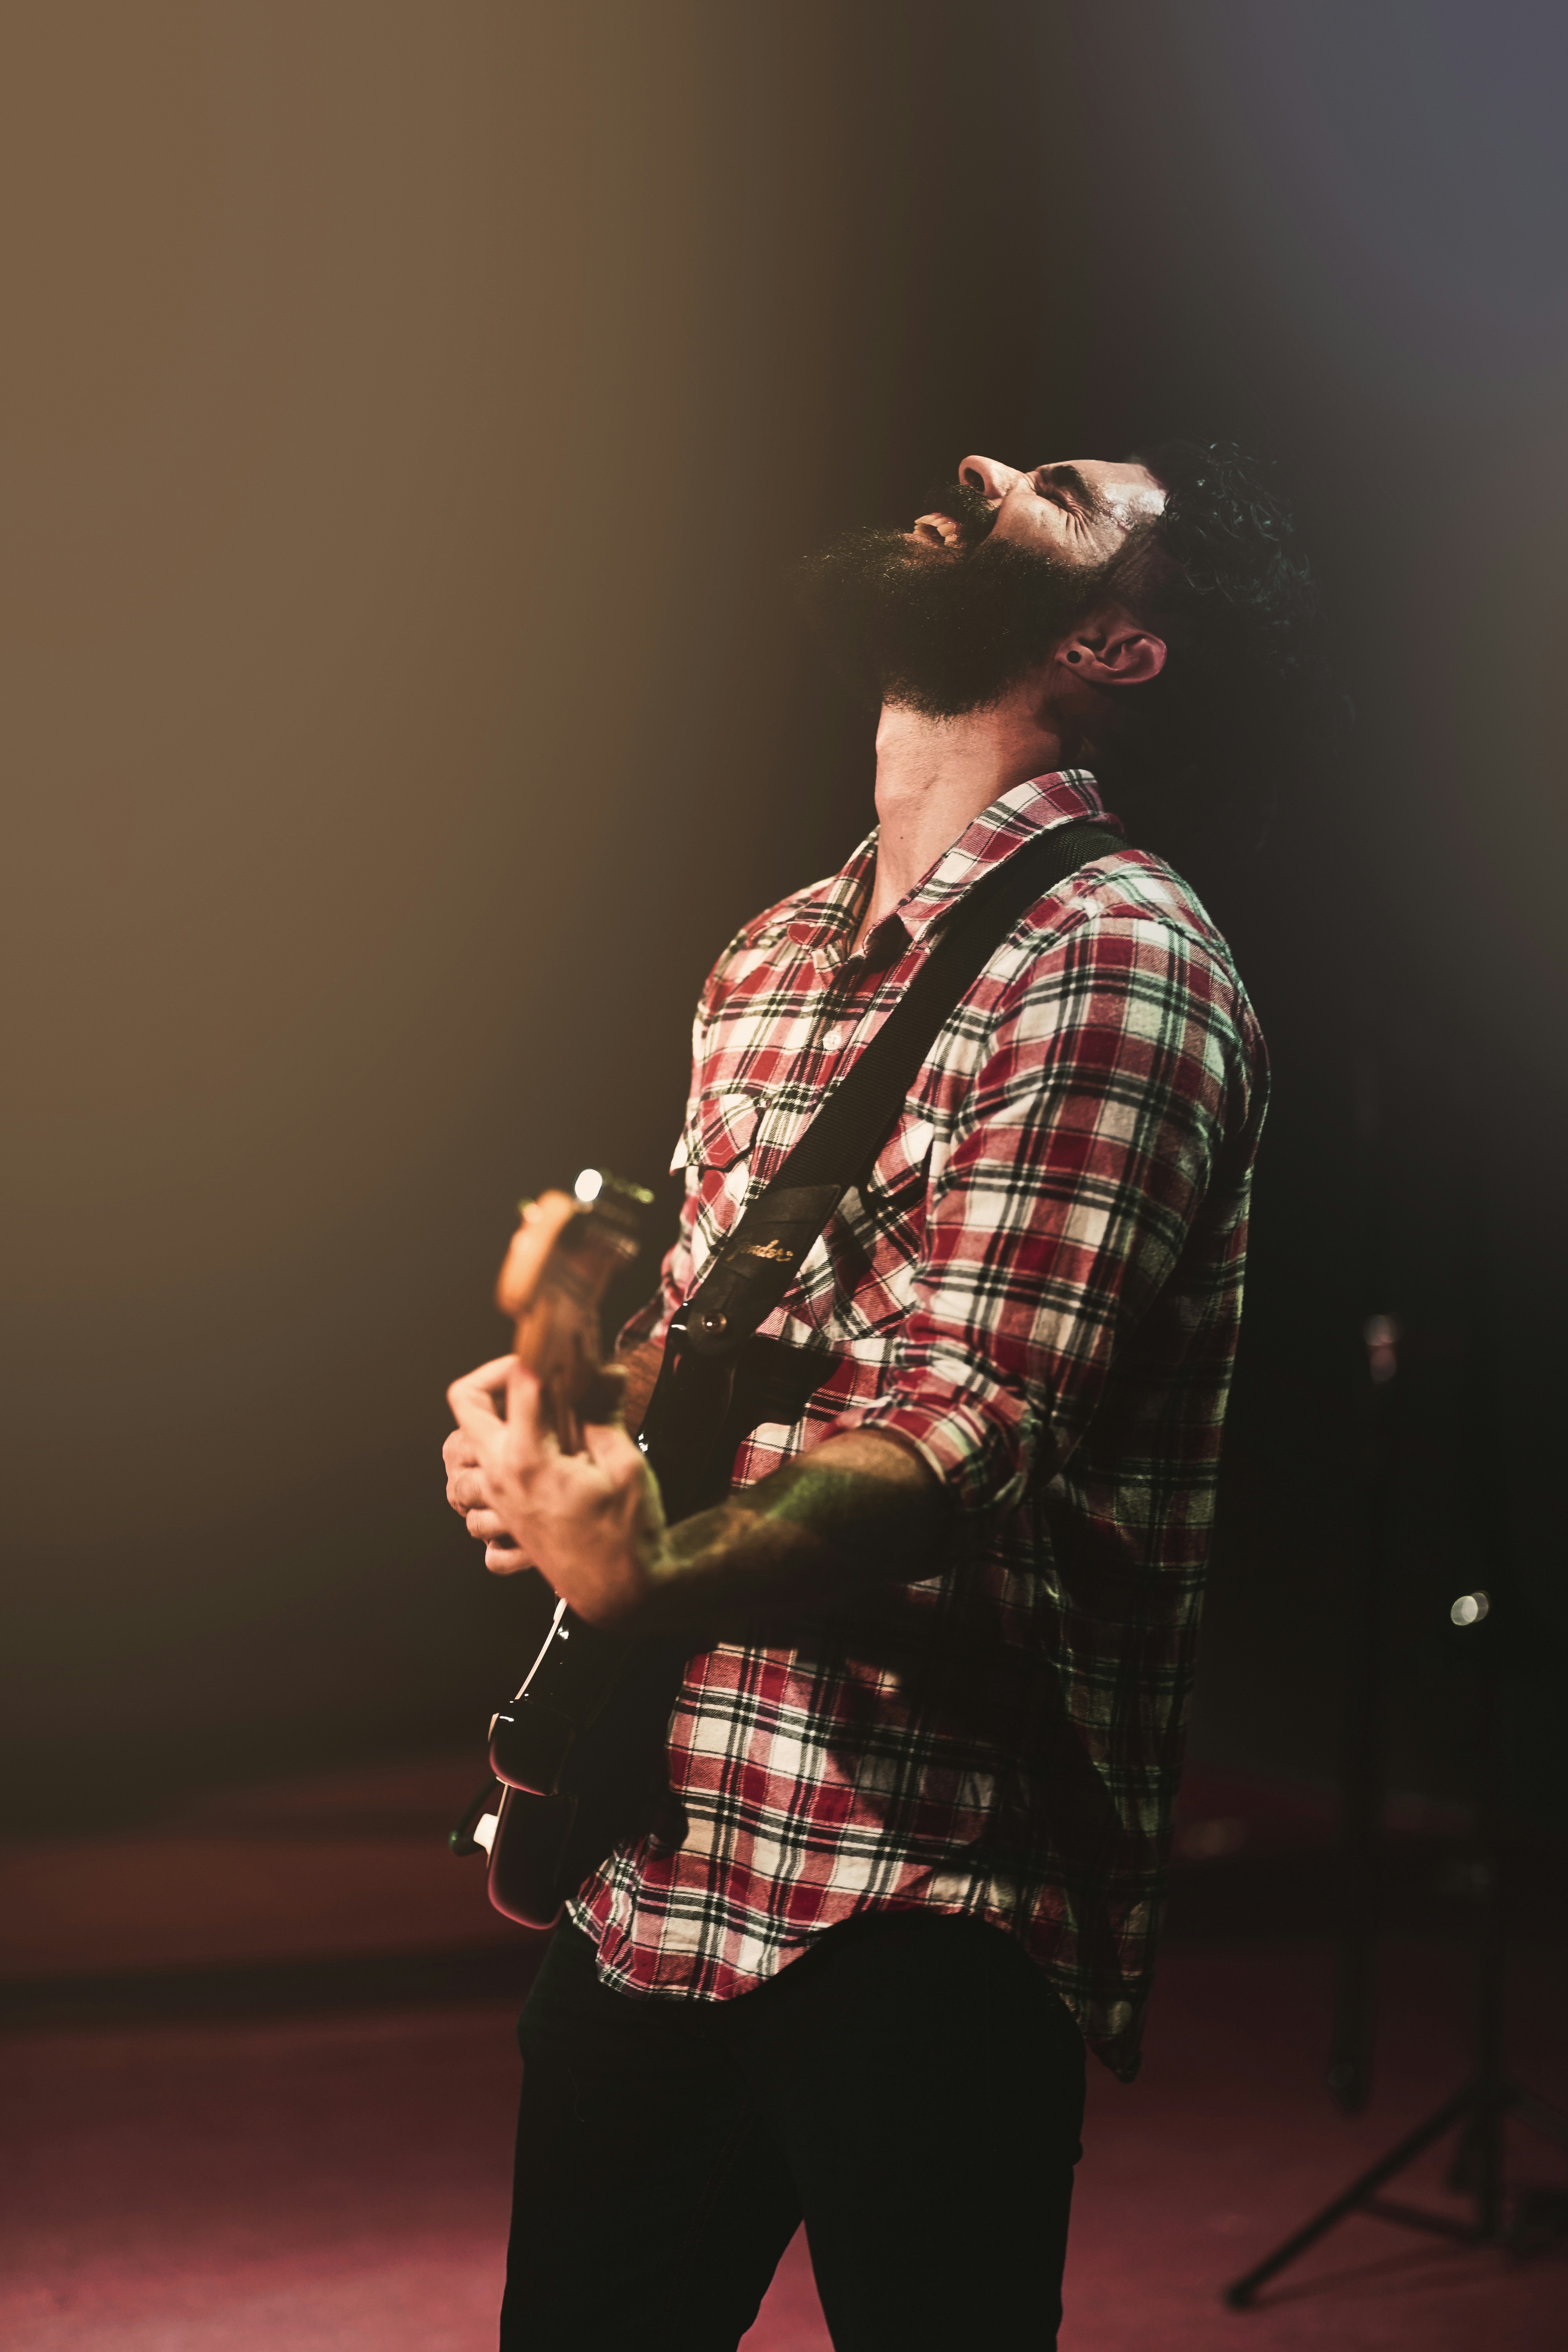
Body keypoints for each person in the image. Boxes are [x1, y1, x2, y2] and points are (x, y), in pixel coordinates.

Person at [444, 441, 1323, 2350]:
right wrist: (551, 1444)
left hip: (919, 1891)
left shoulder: (1120, 961)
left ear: (1113, 644)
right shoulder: (771, 956)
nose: (981, 470)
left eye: (1064, 490)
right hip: (663, 1852)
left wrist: (653, 1571)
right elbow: (712, 1357)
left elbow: (954, 1436)